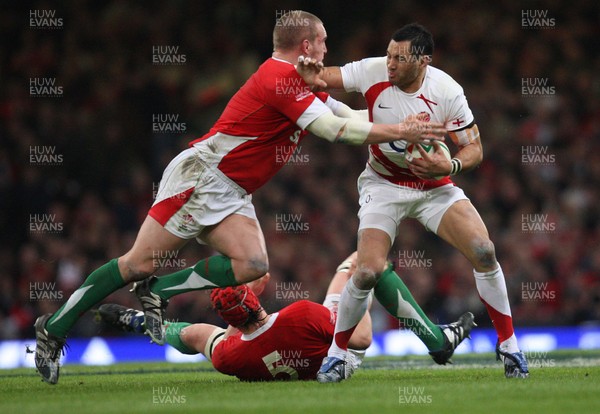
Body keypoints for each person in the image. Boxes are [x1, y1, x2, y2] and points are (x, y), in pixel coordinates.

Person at [33, 12, 447, 384]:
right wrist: (399, 133)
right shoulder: (277, 78)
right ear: (306, 44)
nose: (326, 49)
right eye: (322, 42)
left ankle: (158, 291)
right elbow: (333, 132)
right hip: (203, 177)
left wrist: (408, 122)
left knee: (252, 264)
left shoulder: (301, 81)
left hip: (231, 189)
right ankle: (53, 329)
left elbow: (349, 116)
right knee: (136, 263)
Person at [297, 23, 529, 381]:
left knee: (484, 250)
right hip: (384, 184)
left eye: (399, 58)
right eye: (389, 55)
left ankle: (510, 346)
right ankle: (338, 355)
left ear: (423, 61)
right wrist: (310, 71)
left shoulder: (447, 91)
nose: (389, 63)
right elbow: (325, 77)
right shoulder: (373, 70)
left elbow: (474, 149)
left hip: (434, 185)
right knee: (368, 271)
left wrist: (448, 164)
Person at [97, 253, 473, 381]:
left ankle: (141, 322)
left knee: (196, 337)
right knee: (368, 266)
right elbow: (360, 340)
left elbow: (201, 335)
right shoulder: (300, 313)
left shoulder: (230, 357)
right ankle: (437, 342)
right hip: (338, 354)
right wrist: (356, 296)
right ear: (255, 299)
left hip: (268, 349)